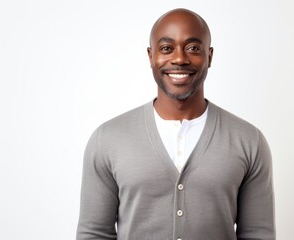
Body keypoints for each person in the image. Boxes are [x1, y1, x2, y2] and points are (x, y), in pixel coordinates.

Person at [76, 8, 275, 240]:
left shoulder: (248, 141)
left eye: (193, 48)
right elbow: (94, 233)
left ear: (209, 56)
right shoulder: (108, 139)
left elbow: (258, 234)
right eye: (166, 48)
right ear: (151, 56)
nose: (179, 58)